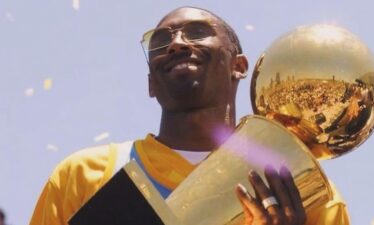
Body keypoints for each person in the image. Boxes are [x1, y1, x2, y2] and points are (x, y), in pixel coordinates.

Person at [30, 6, 350, 225]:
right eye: (160, 42)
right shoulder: (84, 175)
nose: (176, 44)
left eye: (197, 32)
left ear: (238, 66)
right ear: (151, 83)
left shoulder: (298, 188)